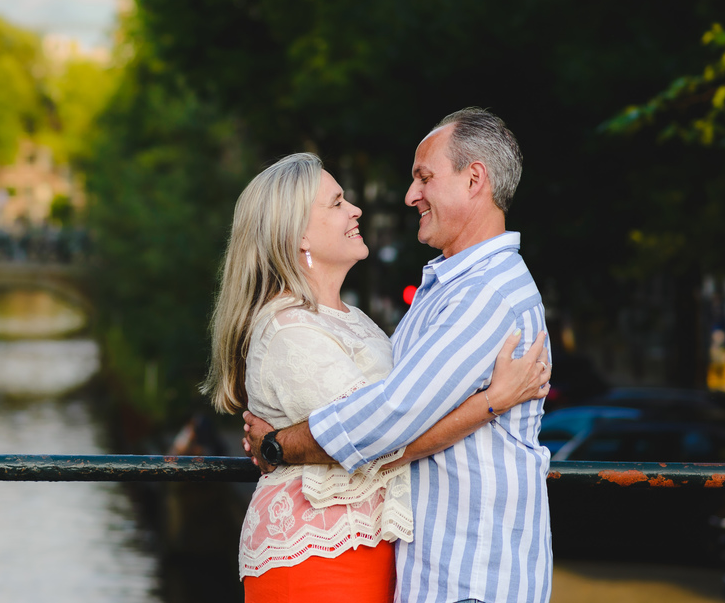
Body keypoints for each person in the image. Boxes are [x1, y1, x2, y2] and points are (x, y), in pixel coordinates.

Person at [203, 150, 551, 601]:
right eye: (336, 202)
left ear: (475, 180)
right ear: (299, 235)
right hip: (317, 552)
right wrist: (490, 402)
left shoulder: (366, 319)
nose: (356, 209)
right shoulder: (289, 328)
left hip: (382, 553)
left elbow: (387, 420)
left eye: (425, 177)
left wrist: (280, 443)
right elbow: (382, 431)